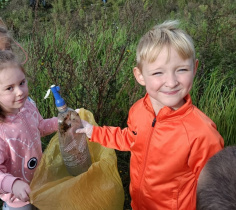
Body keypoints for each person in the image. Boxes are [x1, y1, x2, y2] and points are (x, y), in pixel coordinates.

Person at [76, 20, 224, 209]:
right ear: (140, 76)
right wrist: (93, 131)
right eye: (158, 73)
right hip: (139, 203)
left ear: (194, 68)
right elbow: (130, 139)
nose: (171, 82)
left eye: (181, 70)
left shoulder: (202, 133)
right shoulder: (139, 110)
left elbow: (216, 190)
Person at [0, 49, 58, 209]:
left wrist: (61, 121)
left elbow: (40, 127)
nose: (20, 92)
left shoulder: (27, 106)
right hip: (18, 198)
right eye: (9, 88)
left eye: (22, 83)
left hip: (40, 182)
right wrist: (13, 185)